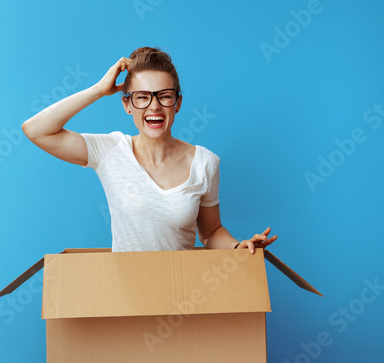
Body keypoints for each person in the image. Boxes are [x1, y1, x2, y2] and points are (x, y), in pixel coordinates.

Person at [22, 47, 277, 253]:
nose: (153, 107)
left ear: (177, 103)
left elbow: (210, 232)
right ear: (127, 104)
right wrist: (99, 90)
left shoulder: (205, 162)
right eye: (142, 97)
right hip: (127, 297)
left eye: (164, 95)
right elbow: (36, 130)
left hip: (183, 296)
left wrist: (237, 246)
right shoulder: (110, 150)